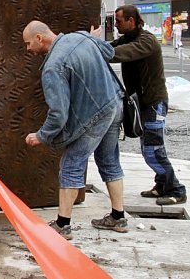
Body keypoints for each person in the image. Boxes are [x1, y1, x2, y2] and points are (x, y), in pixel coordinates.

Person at [23, 20, 126, 239]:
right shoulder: (81, 37)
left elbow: (58, 113)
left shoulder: (52, 66)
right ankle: (118, 217)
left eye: (28, 43)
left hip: (96, 113)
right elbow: (108, 52)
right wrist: (93, 39)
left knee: (71, 164)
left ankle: (62, 225)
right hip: (115, 103)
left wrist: (41, 136)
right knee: (109, 160)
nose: (28, 49)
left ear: (40, 38)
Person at [103, 5, 187, 205]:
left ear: (131, 21)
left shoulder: (146, 41)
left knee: (153, 149)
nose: (116, 25)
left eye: (119, 21)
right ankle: (161, 186)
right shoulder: (129, 38)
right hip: (143, 103)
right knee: (149, 146)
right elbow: (113, 46)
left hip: (153, 103)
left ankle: (176, 189)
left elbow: (120, 52)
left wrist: (99, 51)